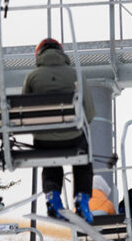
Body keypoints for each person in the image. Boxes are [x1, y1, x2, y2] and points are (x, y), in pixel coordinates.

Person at [23, 37, 94, 221]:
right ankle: (81, 198)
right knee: (83, 162)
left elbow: (23, 112)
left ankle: (53, 196)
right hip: (73, 136)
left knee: (50, 162)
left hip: (44, 139)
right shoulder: (76, 74)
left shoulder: (32, 77)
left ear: (39, 54)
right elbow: (90, 112)